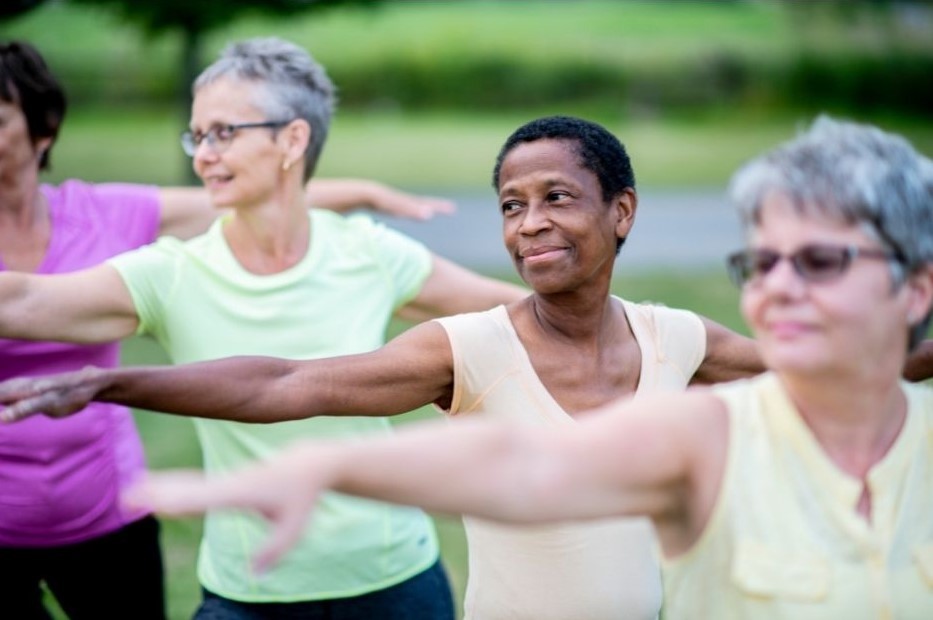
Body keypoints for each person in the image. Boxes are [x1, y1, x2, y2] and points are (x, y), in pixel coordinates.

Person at [0, 114, 883, 619]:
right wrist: (109, 381)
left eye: (556, 199)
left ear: (621, 212)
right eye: (510, 204)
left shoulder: (677, 339)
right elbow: (286, 383)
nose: (528, 222)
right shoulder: (470, 347)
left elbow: (825, 371)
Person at [0, 38, 527, 619]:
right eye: (196, 135)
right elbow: (24, 299)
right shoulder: (171, 272)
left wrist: (636, 326)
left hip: (395, 581)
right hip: (248, 593)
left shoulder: (369, 252)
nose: (203, 155)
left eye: (223, 132)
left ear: (292, 139)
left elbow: (516, 313)